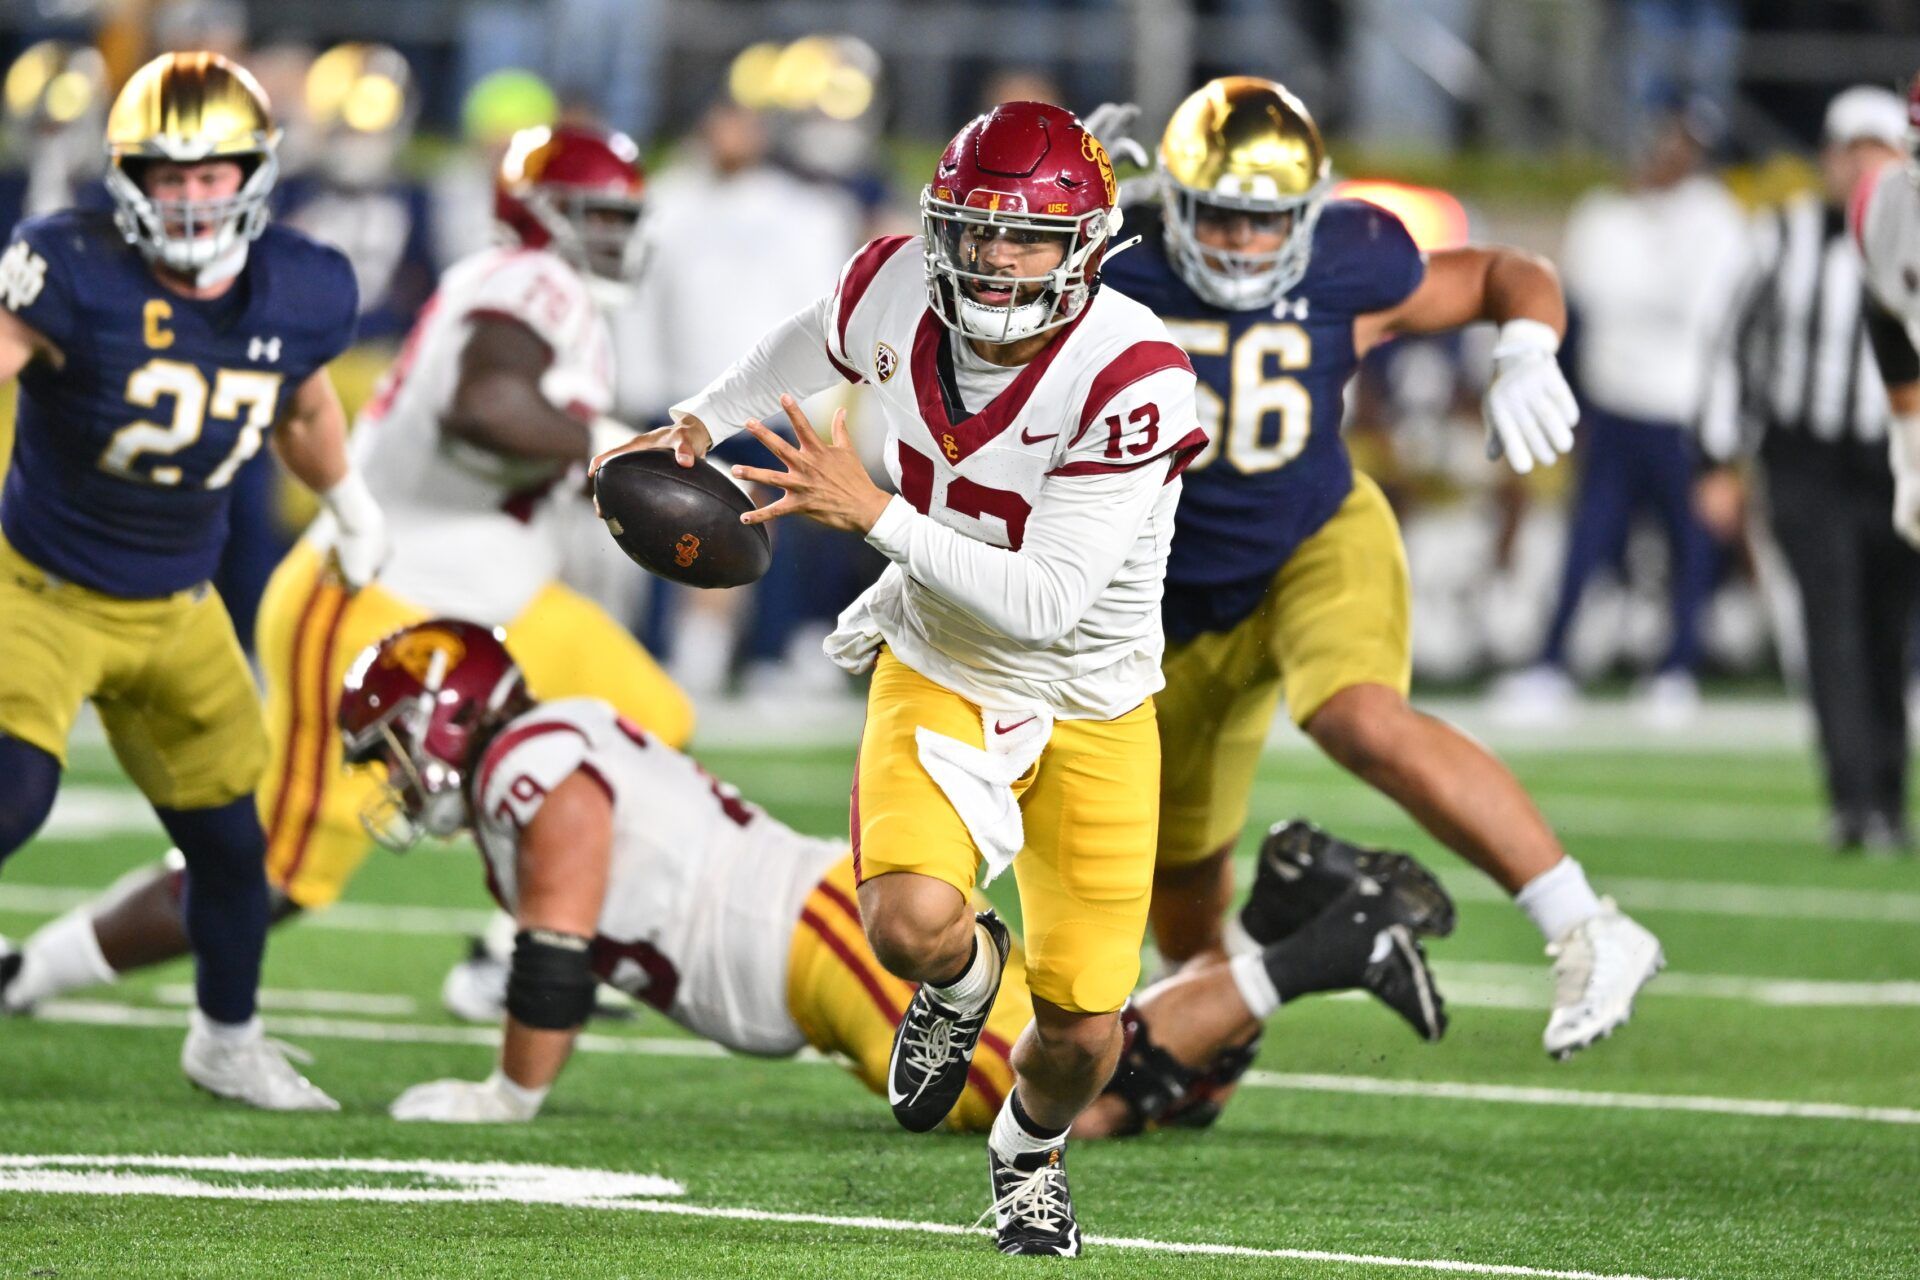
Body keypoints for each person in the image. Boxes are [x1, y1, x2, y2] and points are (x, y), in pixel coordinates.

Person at [597, 102, 1203, 1256]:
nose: (994, 258)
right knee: (908, 924)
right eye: (974, 231)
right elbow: (804, 342)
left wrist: (873, 512)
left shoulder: (1133, 374)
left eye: (1027, 237)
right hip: (942, 657)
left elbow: (1045, 601)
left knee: (1083, 1028)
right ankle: (967, 977)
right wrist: (699, 422)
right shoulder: (891, 286)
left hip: (1093, 694)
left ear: (1084, 246)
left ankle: (1027, 1150)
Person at [0, 124, 693, 1019]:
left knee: (645, 723)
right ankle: (31, 974)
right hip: (385, 605)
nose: (616, 236)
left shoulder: (536, 289)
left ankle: (507, 958)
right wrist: (608, 448)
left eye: (624, 218)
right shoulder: (535, 279)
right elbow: (484, 405)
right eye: (598, 215)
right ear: (543, 216)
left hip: (494, 597)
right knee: (280, 871)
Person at [335, 621, 1450, 1135]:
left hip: (813, 944)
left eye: (390, 742)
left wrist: (510, 1091)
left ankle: (1330, 940)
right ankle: (1288, 908)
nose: (387, 773)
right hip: (807, 939)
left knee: (1071, 1100)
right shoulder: (547, 740)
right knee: (1154, 1101)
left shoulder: (530, 762)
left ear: (445, 717)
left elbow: (559, 939)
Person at [1094, 77, 1663, 1059]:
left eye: (1264, 222)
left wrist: (1527, 346)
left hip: (1314, 537)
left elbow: (1505, 271)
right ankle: (1215, 1036)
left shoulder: (1352, 253)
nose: (1238, 243)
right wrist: (1060, 196)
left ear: (1306, 216)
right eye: (1220, 216)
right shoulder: (1112, 258)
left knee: (1357, 714)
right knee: (1180, 888)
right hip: (1165, 600)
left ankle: (1586, 923)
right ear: (1175, 201)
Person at [0, 53, 382, 1109]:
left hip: (177, 603)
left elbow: (301, 405)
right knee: (13, 796)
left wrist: (349, 501)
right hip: (40, 588)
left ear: (253, 173)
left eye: (213, 174)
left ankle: (226, 1036)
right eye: (170, 176)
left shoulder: (304, 283)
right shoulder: (68, 264)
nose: (192, 195)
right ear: (128, 178)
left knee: (230, 844)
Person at [1499, 101, 1748, 725]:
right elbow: (1582, 305)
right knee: (1587, 541)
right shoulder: (1604, 214)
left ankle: (1676, 669)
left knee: (1685, 545)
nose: (1671, 155)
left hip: (1681, 409)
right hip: (1612, 407)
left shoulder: (1715, 218)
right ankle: (1552, 664)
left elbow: (1698, 311)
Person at [1731, 80, 1920, 851]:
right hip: (1810, 456)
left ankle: (1886, 798)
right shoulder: (1805, 232)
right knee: (1835, 629)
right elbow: (1735, 345)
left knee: (1889, 633)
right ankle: (1857, 802)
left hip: (1888, 455)